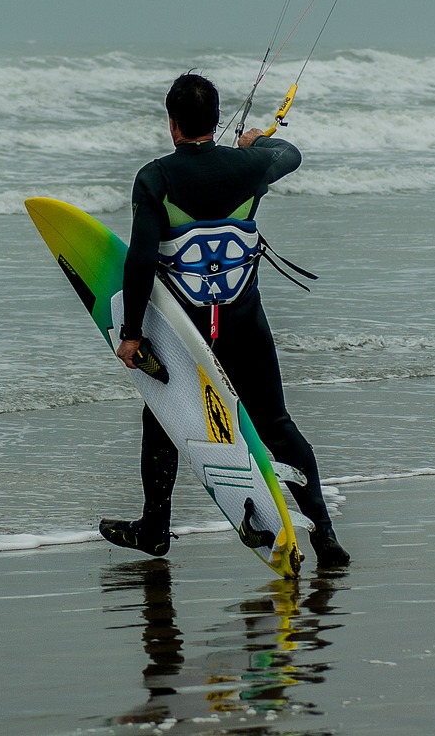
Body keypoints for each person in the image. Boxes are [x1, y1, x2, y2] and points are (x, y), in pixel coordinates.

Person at [100, 71, 350, 569]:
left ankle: (155, 528)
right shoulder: (252, 167)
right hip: (243, 324)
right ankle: (324, 536)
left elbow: (142, 260)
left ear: (172, 124)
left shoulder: (155, 178)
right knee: (276, 424)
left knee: (163, 416)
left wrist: (130, 335)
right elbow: (291, 155)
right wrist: (255, 142)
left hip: (185, 335)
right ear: (215, 121)